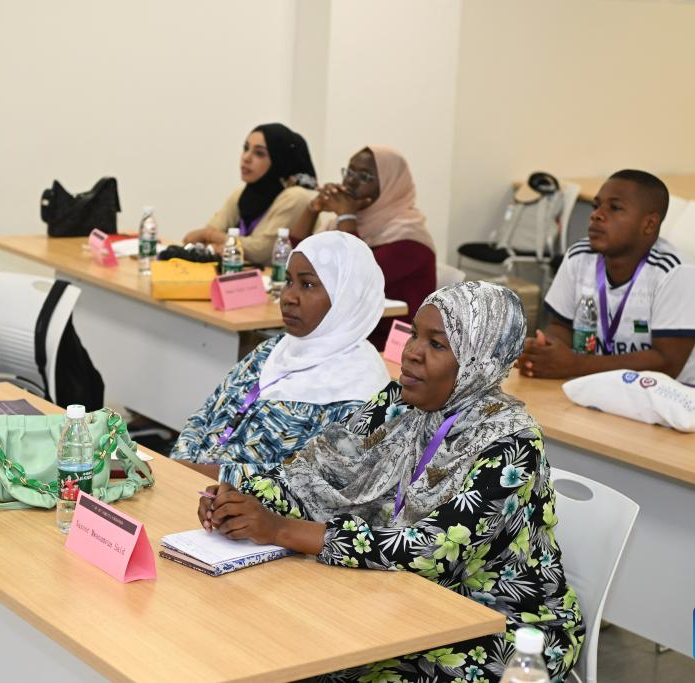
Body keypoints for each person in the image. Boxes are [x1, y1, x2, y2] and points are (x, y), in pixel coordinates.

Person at [199, 282, 584, 683]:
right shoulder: (399, 402)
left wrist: (280, 529)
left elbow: (431, 551)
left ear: (479, 362)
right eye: (415, 334)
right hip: (398, 598)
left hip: (500, 625)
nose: (412, 351)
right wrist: (240, 501)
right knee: (281, 639)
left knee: (328, 667)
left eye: (436, 344)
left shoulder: (511, 443)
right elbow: (313, 472)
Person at [170, 231, 390, 488]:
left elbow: (313, 484)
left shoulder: (363, 393)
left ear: (346, 296)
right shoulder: (275, 349)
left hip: (247, 504)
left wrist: (202, 476)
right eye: (288, 281)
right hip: (191, 483)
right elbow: (206, 414)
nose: (288, 297)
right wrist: (178, 464)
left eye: (307, 285)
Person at [519, 169, 695, 386]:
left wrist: (575, 365)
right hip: (599, 389)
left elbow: (667, 363)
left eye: (614, 208)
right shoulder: (579, 256)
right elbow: (562, 327)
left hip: (675, 397)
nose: (597, 215)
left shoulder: (678, 273)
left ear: (649, 224)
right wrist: (545, 351)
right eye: (596, 206)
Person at [290, 145, 437, 349]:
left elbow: (355, 278)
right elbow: (295, 258)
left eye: (365, 176)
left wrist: (347, 215)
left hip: (386, 343)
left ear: (389, 186)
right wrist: (313, 209)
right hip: (341, 330)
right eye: (349, 172)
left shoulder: (409, 237)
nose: (351, 181)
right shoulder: (345, 224)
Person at [182, 123, 316, 265]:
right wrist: (213, 238)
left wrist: (210, 236)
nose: (246, 157)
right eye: (246, 148)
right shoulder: (243, 193)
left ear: (279, 159)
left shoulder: (296, 196)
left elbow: (260, 252)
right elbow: (198, 237)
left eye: (259, 153)